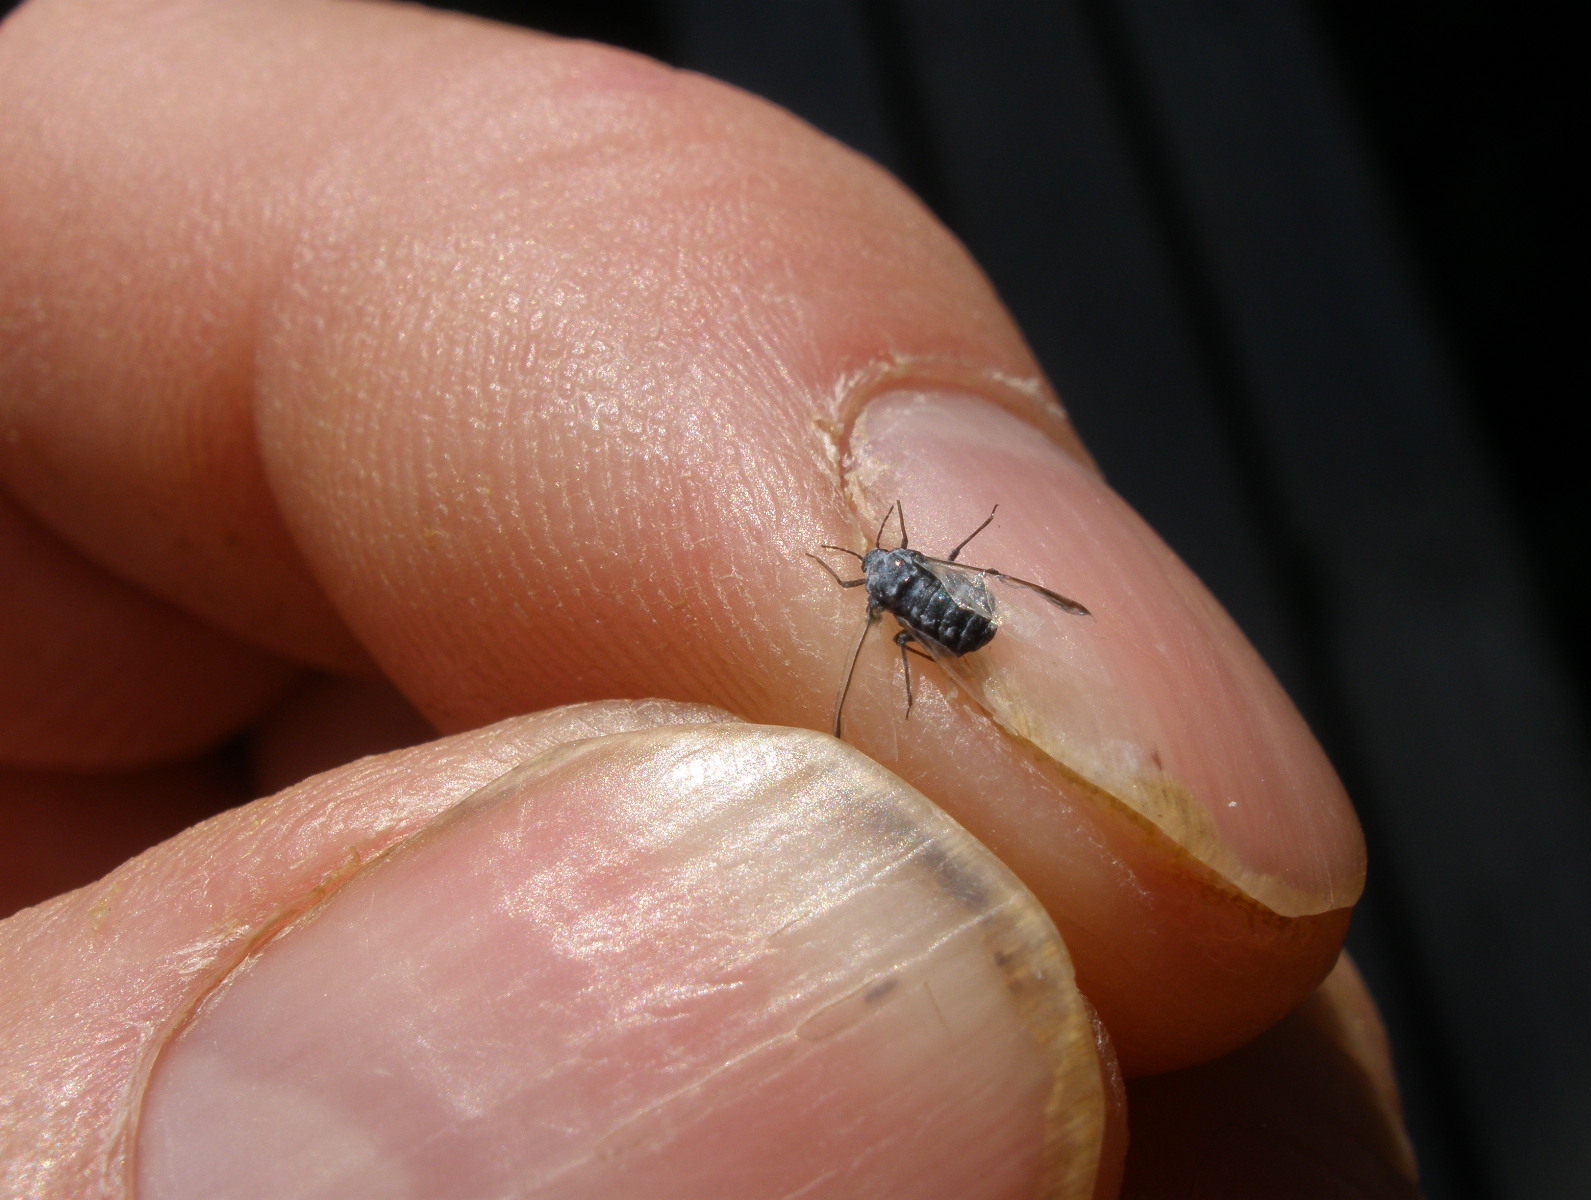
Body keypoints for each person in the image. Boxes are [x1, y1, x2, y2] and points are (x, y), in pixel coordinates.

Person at [0, 1, 1418, 1195]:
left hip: (953, 617)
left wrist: (936, 616)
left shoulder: (903, 591)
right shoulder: (888, 594)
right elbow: (912, 596)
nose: (879, 575)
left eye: (883, 570)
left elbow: (932, 590)